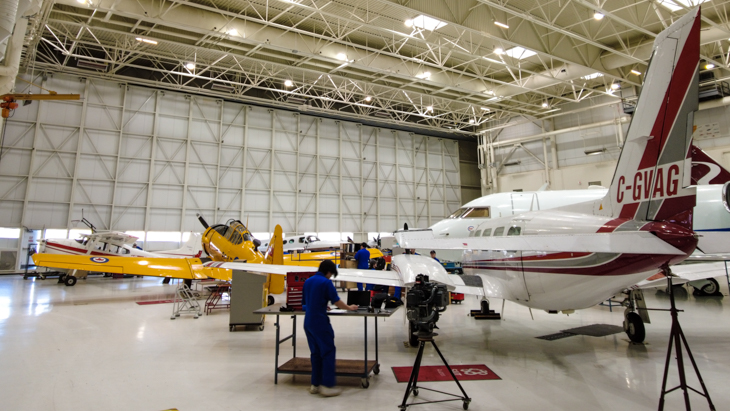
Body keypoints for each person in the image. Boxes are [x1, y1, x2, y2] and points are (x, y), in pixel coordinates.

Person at [303, 260, 358, 397]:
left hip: (308, 322)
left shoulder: (308, 281)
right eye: (331, 274)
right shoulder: (326, 282)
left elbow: (304, 303)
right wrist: (349, 307)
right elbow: (336, 301)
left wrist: (321, 304)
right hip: (320, 322)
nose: (330, 277)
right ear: (329, 271)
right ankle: (327, 385)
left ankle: (315, 385)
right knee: (328, 352)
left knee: (315, 354)